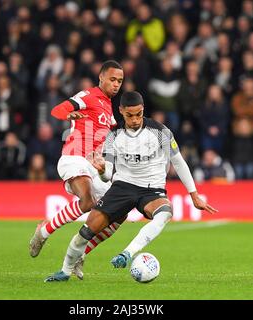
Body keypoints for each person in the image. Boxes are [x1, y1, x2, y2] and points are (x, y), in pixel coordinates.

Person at [44, 91, 217, 282]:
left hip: (152, 189)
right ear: (121, 112)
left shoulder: (160, 131)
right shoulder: (113, 136)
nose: (135, 120)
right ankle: (65, 271)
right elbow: (108, 175)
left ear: (143, 110)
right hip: (122, 187)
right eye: (130, 115)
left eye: (139, 114)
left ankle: (127, 253)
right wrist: (101, 170)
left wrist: (194, 194)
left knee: (165, 212)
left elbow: (179, 162)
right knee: (86, 232)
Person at [28, 60, 124, 259]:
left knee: (121, 209)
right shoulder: (88, 95)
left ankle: (81, 254)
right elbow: (57, 110)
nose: (116, 84)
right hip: (74, 158)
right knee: (88, 201)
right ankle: (44, 231)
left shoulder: (109, 110)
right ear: (101, 77)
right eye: (112, 79)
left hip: (93, 166)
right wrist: (69, 114)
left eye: (120, 81)